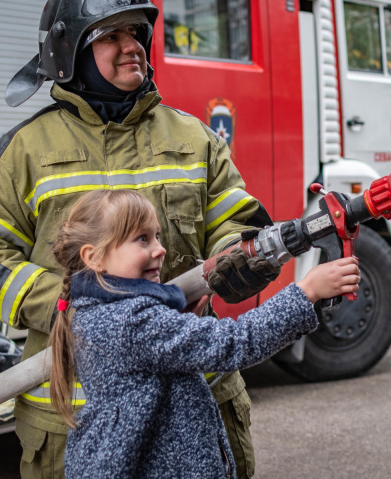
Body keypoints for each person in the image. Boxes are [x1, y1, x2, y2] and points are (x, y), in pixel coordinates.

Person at [0, 0, 280, 479]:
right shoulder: (22, 153)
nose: (133, 46)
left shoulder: (195, 138)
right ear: (72, 52)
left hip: (196, 404)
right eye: (111, 35)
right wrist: (69, 307)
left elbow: (237, 224)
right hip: (74, 421)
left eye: (137, 33)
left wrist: (232, 264)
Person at [48, 189, 361, 479]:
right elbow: (236, 344)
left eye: (157, 236)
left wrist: (175, 324)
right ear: (94, 257)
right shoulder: (133, 321)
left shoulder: (95, 310)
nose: (160, 249)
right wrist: (307, 292)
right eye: (142, 239)